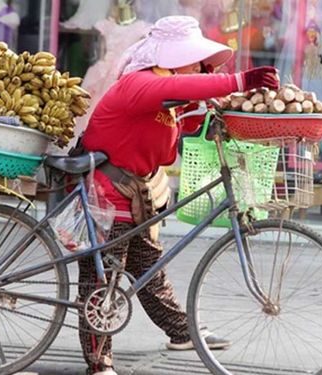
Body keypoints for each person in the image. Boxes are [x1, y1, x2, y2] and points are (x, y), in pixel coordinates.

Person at [76, 15, 279, 375]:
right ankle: (98, 362)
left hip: (136, 194)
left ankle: (180, 331)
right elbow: (179, 92)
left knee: (149, 270)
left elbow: (174, 120)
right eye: (194, 60)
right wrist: (239, 80)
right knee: (102, 283)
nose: (201, 67)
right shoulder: (140, 84)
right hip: (108, 195)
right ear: (170, 57)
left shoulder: (167, 95)